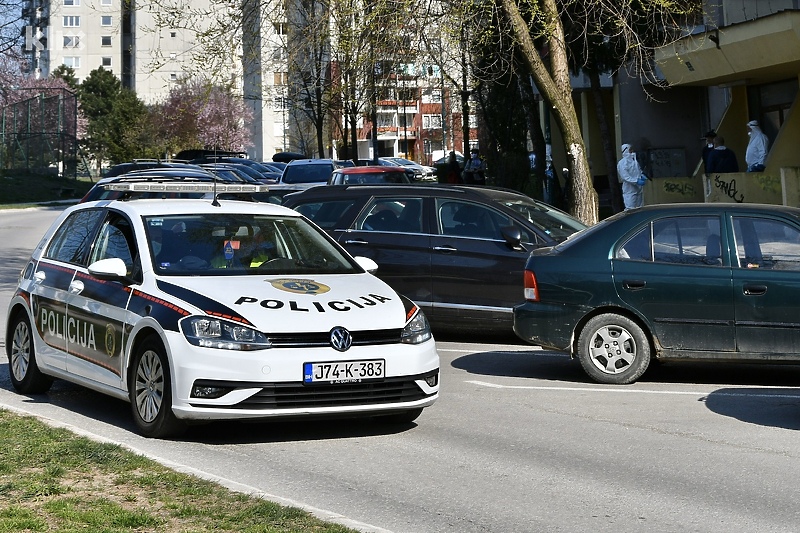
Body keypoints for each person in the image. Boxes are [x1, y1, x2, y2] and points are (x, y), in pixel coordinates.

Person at [617, 143, 645, 210]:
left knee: (640, 209)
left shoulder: (635, 161)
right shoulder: (622, 163)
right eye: (630, 149)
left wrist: (642, 176)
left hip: (638, 189)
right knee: (630, 210)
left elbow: (639, 170)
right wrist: (636, 181)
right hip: (629, 190)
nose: (632, 151)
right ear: (625, 150)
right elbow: (625, 177)